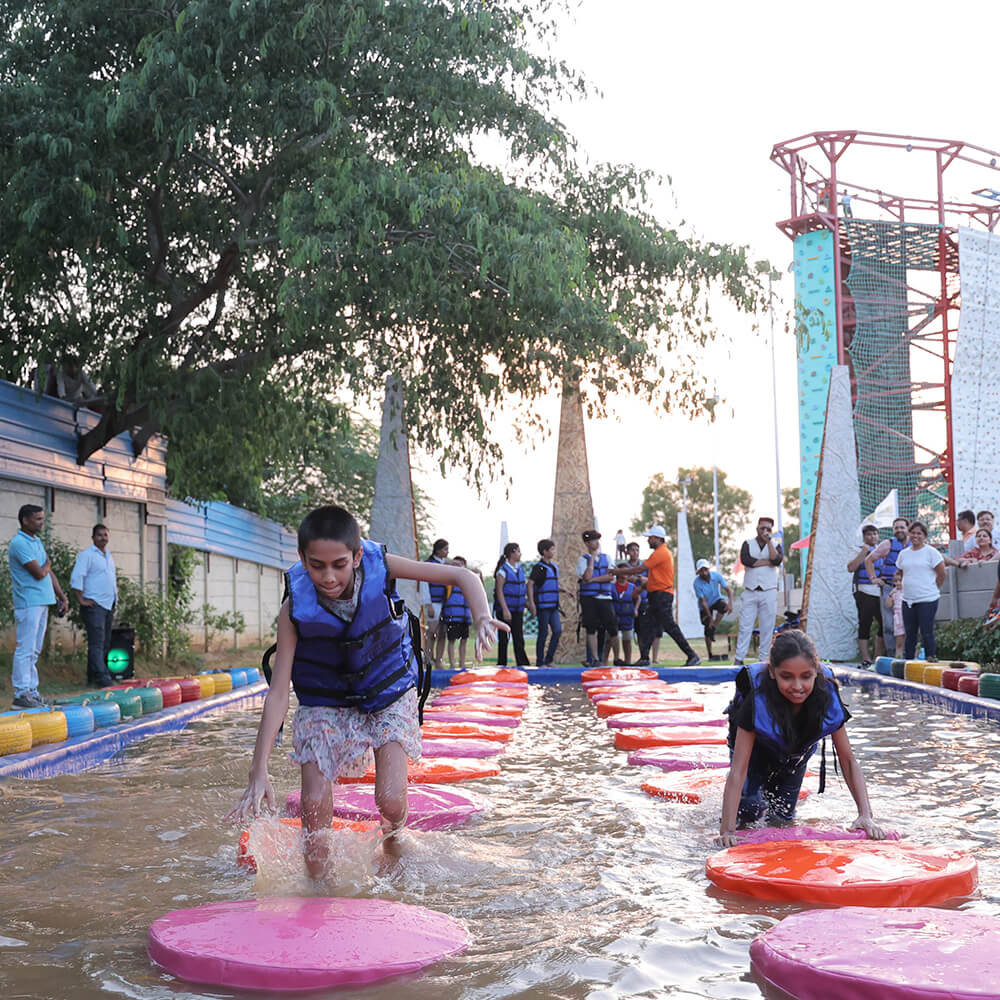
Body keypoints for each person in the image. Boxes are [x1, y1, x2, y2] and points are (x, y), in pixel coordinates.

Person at [228, 505, 504, 878]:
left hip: (387, 692)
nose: (328, 577)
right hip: (326, 701)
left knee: (389, 800)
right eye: (317, 565)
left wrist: (482, 615)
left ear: (358, 555)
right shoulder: (294, 610)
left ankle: (395, 837)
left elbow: (461, 575)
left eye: (339, 564)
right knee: (312, 803)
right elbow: (278, 692)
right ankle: (318, 887)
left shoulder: (382, 566)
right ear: (302, 559)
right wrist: (257, 769)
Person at [718, 630, 885, 846]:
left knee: (782, 819)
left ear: (816, 671)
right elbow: (739, 769)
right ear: (772, 672)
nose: (797, 686)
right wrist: (727, 831)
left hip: (793, 758)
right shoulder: (756, 701)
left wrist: (865, 815)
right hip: (754, 754)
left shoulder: (826, 697)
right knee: (748, 811)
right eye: (786, 677)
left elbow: (848, 760)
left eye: (806, 676)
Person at [7, 505, 69, 709]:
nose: (42, 523)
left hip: (43, 600)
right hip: (28, 602)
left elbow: (48, 573)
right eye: (37, 519)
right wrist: (47, 563)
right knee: (25, 649)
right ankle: (21, 694)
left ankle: (32, 691)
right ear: (25, 520)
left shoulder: (36, 542)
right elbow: (40, 572)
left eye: (42, 519)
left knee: (34, 650)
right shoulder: (19, 543)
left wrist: (62, 596)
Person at [614, 526, 700, 667]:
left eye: (651, 538)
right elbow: (652, 579)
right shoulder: (660, 554)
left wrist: (618, 572)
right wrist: (640, 586)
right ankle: (645, 658)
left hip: (662, 596)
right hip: (656, 596)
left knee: (670, 627)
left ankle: (692, 655)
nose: (648, 540)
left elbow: (640, 569)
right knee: (647, 625)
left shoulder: (661, 553)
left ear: (658, 539)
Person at [69, 523, 118, 687]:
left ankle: (93, 678)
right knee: (96, 642)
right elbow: (77, 578)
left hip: (108, 604)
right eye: (99, 535)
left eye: (105, 535)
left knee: (105, 642)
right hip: (94, 605)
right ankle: (103, 678)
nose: (103, 538)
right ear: (93, 538)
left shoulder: (108, 555)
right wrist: (81, 599)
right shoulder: (87, 555)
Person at [734, 517, 784, 667]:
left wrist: (769, 542)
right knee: (745, 626)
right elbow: (747, 560)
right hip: (751, 590)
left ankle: (763, 659)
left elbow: (776, 560)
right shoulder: (748, 544)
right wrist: (767, 562)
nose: (765, 531)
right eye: (762, 528)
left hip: (769, 590)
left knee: (767, 626)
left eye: (768, 529)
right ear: (757, 528)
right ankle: (738, 658)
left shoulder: (775, 545)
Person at [895, 521, 945, 661]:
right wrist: (898, 579)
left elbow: (942, 573)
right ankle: (908, 661)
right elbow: (899, 571)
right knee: (910, 633)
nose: (915, 536)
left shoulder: (931, 552)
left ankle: (931, 657)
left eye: (919, 533)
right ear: (908, 534)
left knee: (926, 631)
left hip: (927, 599)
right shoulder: (904, 554)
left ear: (924, 536)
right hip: (908, 599)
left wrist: (934, 587)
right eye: (913, 533)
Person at [865, 517, 909, 656]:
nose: (899, 530)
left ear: (908, 528)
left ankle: (908, 653)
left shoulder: (915, 544)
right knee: (889, 624)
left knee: (910, 622)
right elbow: (869, 560)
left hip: (910, 588)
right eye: (896, 528)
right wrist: (873, 578)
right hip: (889, 587)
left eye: (902, 527)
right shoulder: (887, 544)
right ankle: (891, 654)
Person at [577, 530, 619, 668]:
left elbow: (611, 576)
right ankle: (595, 658)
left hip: (605, 597)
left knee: (613, 627)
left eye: (597, 540)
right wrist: (592, 560)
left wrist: (593, 579)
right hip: (589, 598)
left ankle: (617, 658)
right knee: (591, 628)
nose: (597, 543)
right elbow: (585, 577)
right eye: (594, 540)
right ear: (587, 543)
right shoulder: (582, 560)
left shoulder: (607, 558)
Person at [847, 524, 885, 667]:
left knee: (883, 624)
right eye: (869, 534)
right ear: (864, 537)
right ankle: (866, 657)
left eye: (875, 534)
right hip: (863, 591)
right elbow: (851, 568)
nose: (872, 537)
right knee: (865, 623)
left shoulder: (882, 550)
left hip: (879, 592)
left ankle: (877, 657)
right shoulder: (857, 549)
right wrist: (864, 552)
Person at [527, 539, 561, 666]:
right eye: (551, 549)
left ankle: (549, 659)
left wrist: (563, 590)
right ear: (544, 552)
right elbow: (530, 584)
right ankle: (540, 661)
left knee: (557, 630)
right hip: (543, 606)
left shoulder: (553, 566)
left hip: (553, 606)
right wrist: (532, 603)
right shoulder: (539, 568)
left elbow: (551, 584)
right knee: (543, 633)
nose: (553, 551)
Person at [494, 542, 529, 667]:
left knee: (519, 638)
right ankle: (501, 664)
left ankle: (523, 663)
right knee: (504, 639)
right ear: (511, 553)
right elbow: (499, 591)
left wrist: (527, 604)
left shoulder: (520, 569)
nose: (520, 554)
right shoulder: (503, 571)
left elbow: (522, 589)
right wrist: (505, 609)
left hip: (518, 609)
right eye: (518, 551)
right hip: (506, 609)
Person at [693, 558, 733, 661]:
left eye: (705, 569)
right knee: (707, 629)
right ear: (698, 572)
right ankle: (710, 654)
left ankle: (714, 625)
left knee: (723, 606)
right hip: (704, 606)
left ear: (708, 569)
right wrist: (710, 618)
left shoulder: (717, 576)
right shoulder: (697, 583)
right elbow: (703, 602)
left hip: (716, 599)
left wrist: (730, 604)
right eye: (701, 571)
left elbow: (728, 590)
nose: (704, 572)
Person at [419, 538, 449, 667]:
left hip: (445, 604)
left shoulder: (446, 566)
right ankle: (428, 658)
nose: (447, 552)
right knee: (432, 632)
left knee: (443, 633)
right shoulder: (428, 564)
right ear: (438, 550)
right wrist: (428, 604)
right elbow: (424, 584)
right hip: (434, 603)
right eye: (445, 549)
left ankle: (439, 660)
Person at [626, 541, 657, 662]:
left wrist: (638, 578)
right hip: (628, 601)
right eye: (632, 550)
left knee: (643, 630)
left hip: (643, 600)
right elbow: (624, 577)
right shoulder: (625, 566)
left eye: (637, 550)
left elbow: (649, 580)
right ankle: (628, 658)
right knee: (629, 631)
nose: (635, 553)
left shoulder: (645, 566)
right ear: (627, 552)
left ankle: (644, 655)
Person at [440, 556, 473, 669]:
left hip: (464, 616)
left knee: (464, 640)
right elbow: (443, 567)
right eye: (456, 565)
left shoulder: (468, 582)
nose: (458, 567)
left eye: (461, 565)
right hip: (452, 615)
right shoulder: (449, 581)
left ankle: (462, 663)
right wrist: (452, 564)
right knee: (452, 640)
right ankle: (452, 664)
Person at [610, 565, 641, 666]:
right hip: (613, 616)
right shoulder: (611, 586)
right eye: (622, 571)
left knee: (627, 640)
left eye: (626, 571)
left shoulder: (632, 587)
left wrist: (636, 609)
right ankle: (612, 659)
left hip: (627, 616)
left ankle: (628, 661)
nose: (624, 574)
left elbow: (638, 598)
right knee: (610, 639)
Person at [886, 571, 906, 655]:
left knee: (911, 641)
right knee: (899, 643)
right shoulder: (895, 593)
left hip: (908, 618)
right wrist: (890, 594)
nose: (898, 583)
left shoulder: (908, 591)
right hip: (898, 620)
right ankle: (899, 659)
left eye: (900, 580)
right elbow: (888, 605)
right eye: (896, 581)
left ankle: (912, 660)